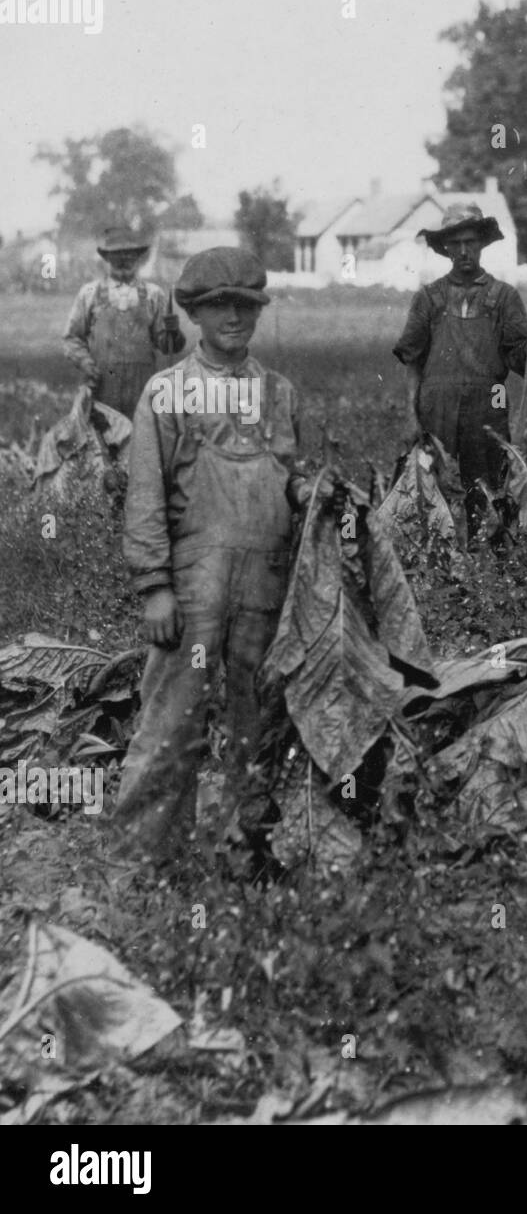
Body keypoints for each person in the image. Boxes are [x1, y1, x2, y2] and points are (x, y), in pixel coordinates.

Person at [114, 248, 317, 864]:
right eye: (218, 306)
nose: (234, 316)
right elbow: (145, 494)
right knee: (172, 723)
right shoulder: (167, 391)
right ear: (195, 314)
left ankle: (248, 854)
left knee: (261, 725)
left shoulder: (278, 394)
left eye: (246, 305)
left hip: (266, 585)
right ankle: (142, 864)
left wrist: (314, 492)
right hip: (196, 585)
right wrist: (154, 586)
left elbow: (293, 476)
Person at [392, 203, 527, 522]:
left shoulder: (504, 297)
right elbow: (412, 362)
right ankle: (438, 567)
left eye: (471, 242)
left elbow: (522, 363)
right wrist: (411, 416)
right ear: (446, 248)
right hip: (436, 408)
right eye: (456, 244)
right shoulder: (428, 298)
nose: (464, 251)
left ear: (481, 245)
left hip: (488, 405)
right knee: (431, 498)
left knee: (487, 496)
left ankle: (485, 565)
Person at [62, 226, 186, 417]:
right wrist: (86, 364)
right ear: (107, 258)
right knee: (104, 440)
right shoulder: (90, 294)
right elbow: (72, 338)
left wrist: (173, 333)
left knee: (143, 438)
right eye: (117, 255)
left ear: (138, 258)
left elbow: (166, 344)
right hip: (103, 385)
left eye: (130, 254)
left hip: (142, 388)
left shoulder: (154, 295)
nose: (123, 260)